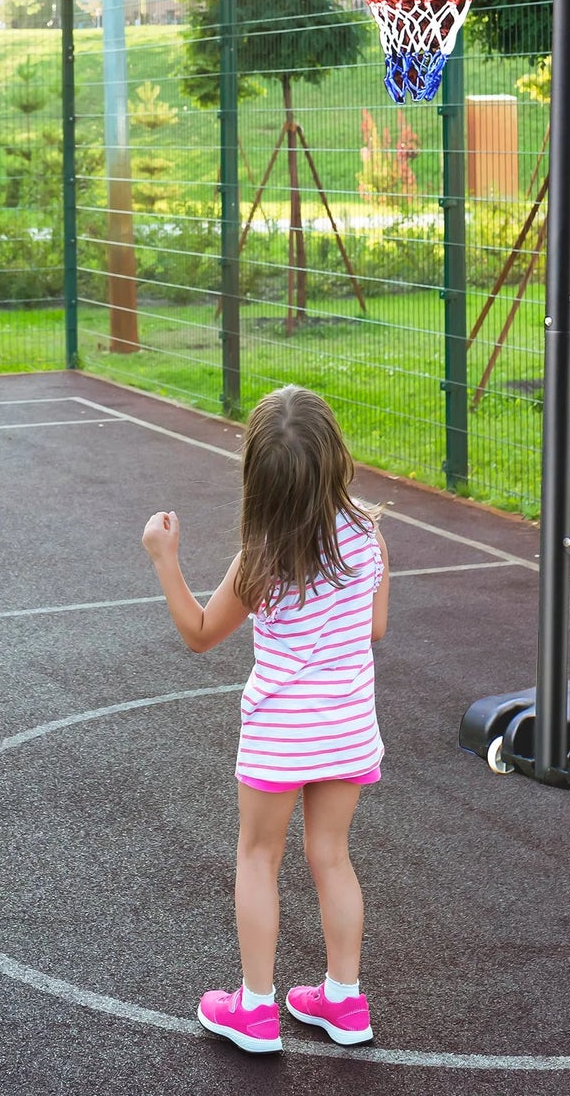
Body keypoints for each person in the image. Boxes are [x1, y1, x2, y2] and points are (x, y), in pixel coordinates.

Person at [141, 385, 390, 1054]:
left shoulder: (259, 559)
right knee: (331, 856)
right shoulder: (367, 534)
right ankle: (343, 997)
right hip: (345, 726)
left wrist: (164, 559)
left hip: (281, 734)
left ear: (258, 476)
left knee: (258, 856)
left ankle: (253, 1008)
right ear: (335, 458)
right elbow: (374, 624)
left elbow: (198, 632)